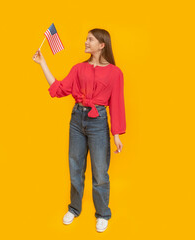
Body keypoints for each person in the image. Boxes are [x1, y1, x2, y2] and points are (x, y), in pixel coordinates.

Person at [32, 28, 126, 232]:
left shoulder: (115, 73)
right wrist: (43, 64)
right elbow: (58, 90)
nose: (85, 42)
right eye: (86, 38)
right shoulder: (78, 69)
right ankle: (74, 209)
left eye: (90, 39)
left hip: (98, 122)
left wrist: (116, 134)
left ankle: (102, 214)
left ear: (102, 45)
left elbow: (117, 104)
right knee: (75, 168)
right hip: (76, 119)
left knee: (100, 171)